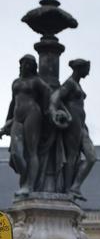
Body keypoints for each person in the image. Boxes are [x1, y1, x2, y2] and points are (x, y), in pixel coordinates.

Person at [1, 54, 52, 196]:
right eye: (22, 64)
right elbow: (12, 102)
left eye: (27, 64)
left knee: (31, 151)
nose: (23, 66)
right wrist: (7, 121)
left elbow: (47, 90)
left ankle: (28, 185)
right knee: (16, 153)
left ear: (32, 66)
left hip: (33, 114)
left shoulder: (36, 81)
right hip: (17, 117)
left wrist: (46, 110)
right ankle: (26, 178)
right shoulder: (16, 82)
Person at [47, 58, 97, 200]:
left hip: (81, 125)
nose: (88, 72)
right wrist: (55, 112)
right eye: (87, 69)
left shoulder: (76, 85)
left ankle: (75, 187)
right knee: (72, 156)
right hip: (73, 125)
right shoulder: (69, 84)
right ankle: (69, 188)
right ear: (80, 69)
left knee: (91, 157)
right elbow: (54, 99)